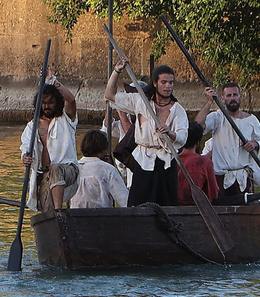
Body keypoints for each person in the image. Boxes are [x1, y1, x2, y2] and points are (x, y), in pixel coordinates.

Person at [106, 60, 188, 207]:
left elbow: (182, 137)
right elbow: (110, 95)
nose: (168, 86)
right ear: (155, 83)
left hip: (166, 163)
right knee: (138, 205)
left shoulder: (178, 110)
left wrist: (170, 133)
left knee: (166, 206)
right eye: (164, 82)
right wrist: (117, 71)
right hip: (143, 161)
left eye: (171, 83)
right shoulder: (140, 102)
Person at [19, 70, 78, 210]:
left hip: (68, 169)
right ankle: (54, 221)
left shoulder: (66, 119)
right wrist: (25, 157)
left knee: (55, 168)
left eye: (51, 102)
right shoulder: (32, 126)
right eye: (44, 103)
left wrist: (52, 80)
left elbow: (71, 99)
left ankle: (58, 212)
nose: (47, 106)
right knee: (46, 211)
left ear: (57, 102)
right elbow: (26, 145)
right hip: (44, 173)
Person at [199, 83, 260, 194]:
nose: (232, 98)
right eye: (228, 95)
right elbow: (198, 126)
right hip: (220, 177)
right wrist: (209, 102)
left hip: (243, 178)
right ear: (222, 98)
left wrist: (254, 144)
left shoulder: (251, 120)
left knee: (245, 209)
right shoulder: (217, 117)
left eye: (235, 95)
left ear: (240, 97)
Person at [68, 130, 130, 208]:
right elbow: (124, 200)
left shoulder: (74, 168)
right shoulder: (108, 169)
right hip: (101, 216)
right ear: (104, 149)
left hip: (75, 216)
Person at [175, 119, 223, 206]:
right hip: (197, 209)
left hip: (171, 206)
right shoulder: (204, 162)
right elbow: (213, 193)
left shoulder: (170, 160)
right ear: (197, 142)